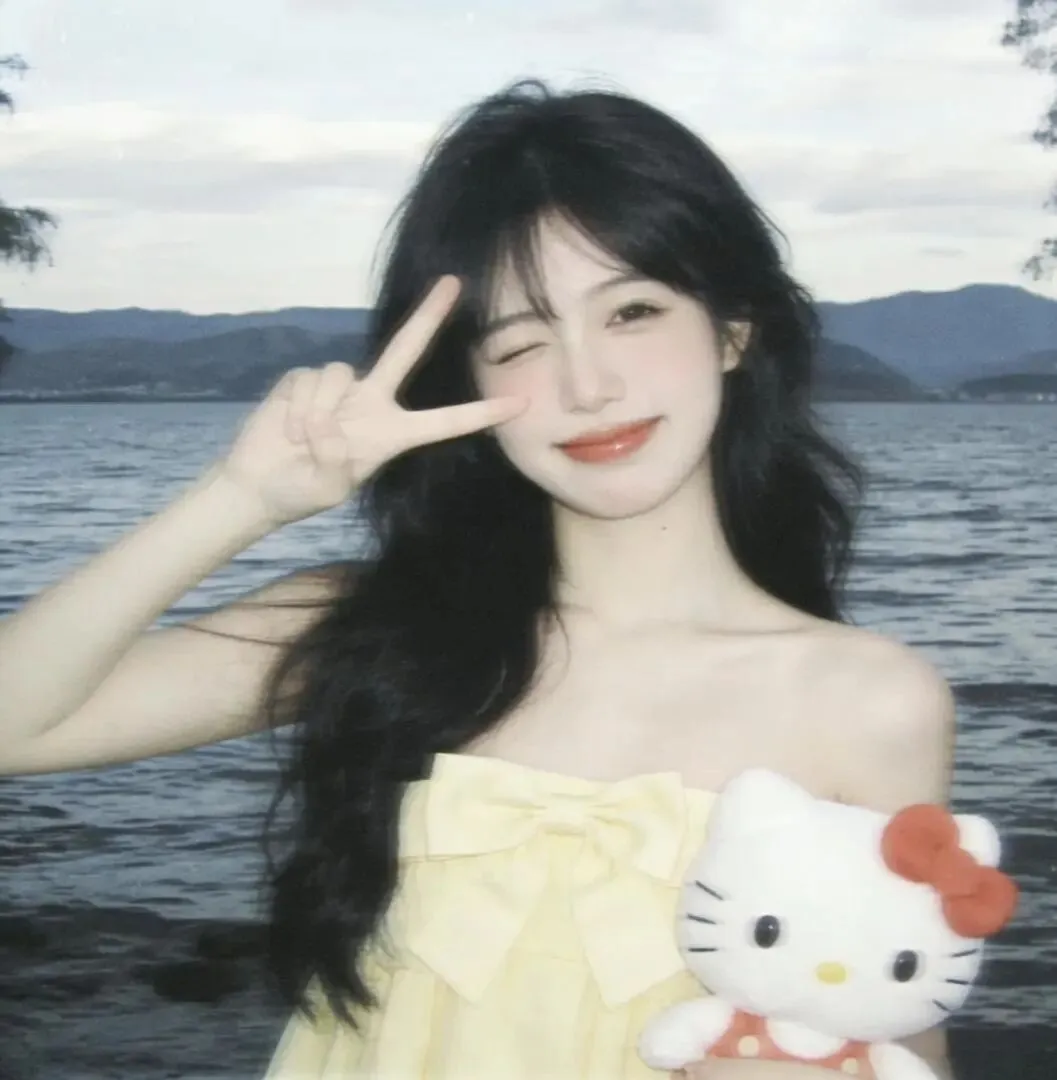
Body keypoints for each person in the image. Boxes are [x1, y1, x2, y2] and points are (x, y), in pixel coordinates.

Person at [0, 79, 956, 1079]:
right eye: (521, 341)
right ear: (469, 382)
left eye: (632, 311)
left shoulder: (869, 703)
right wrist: (240, 498)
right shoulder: (374, 629)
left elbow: (905, 1039)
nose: (587, 386)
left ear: (731, 330)